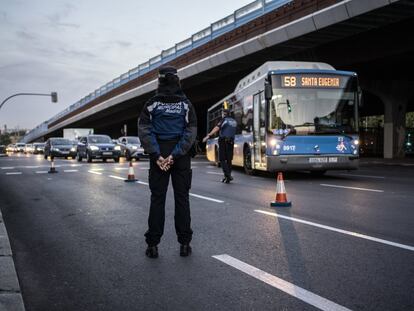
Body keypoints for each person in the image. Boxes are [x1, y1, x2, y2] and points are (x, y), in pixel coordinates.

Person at [138, 65, 197, 259]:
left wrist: (158, 156)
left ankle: (153, 245)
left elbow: (145, 131)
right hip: (180, 158)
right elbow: (190, 132)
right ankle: (185, 244)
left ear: (160, 81)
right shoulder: (186, 104)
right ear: (177, 80)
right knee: (182, 199)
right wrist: (175, 155)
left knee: (157, 200)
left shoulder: (151, 103)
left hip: (159, 157)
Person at [203, 109, 237, 183]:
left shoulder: (224, 120)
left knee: (222, 159)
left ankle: (228, 175)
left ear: (224, 114)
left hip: (223, 141)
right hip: (231, 142)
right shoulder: (234, 121)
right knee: (229, 160)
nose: (222, 115)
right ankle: (227, 177)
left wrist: (208, 135)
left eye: (222, 114)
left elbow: (217, 128)